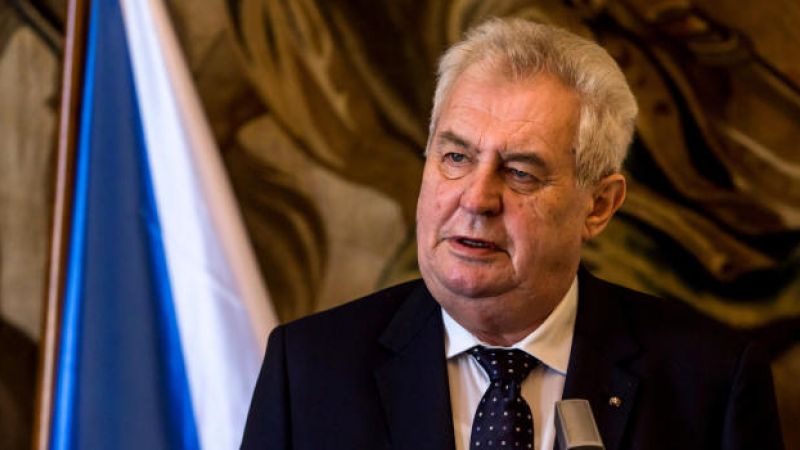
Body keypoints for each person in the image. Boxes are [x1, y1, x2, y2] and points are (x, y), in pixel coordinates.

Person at [241, 18, 784, 450]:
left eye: (521, 172)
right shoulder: (309, 368)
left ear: (598, 206)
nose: (476, 199)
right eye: (456, 157)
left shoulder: (710, 381)